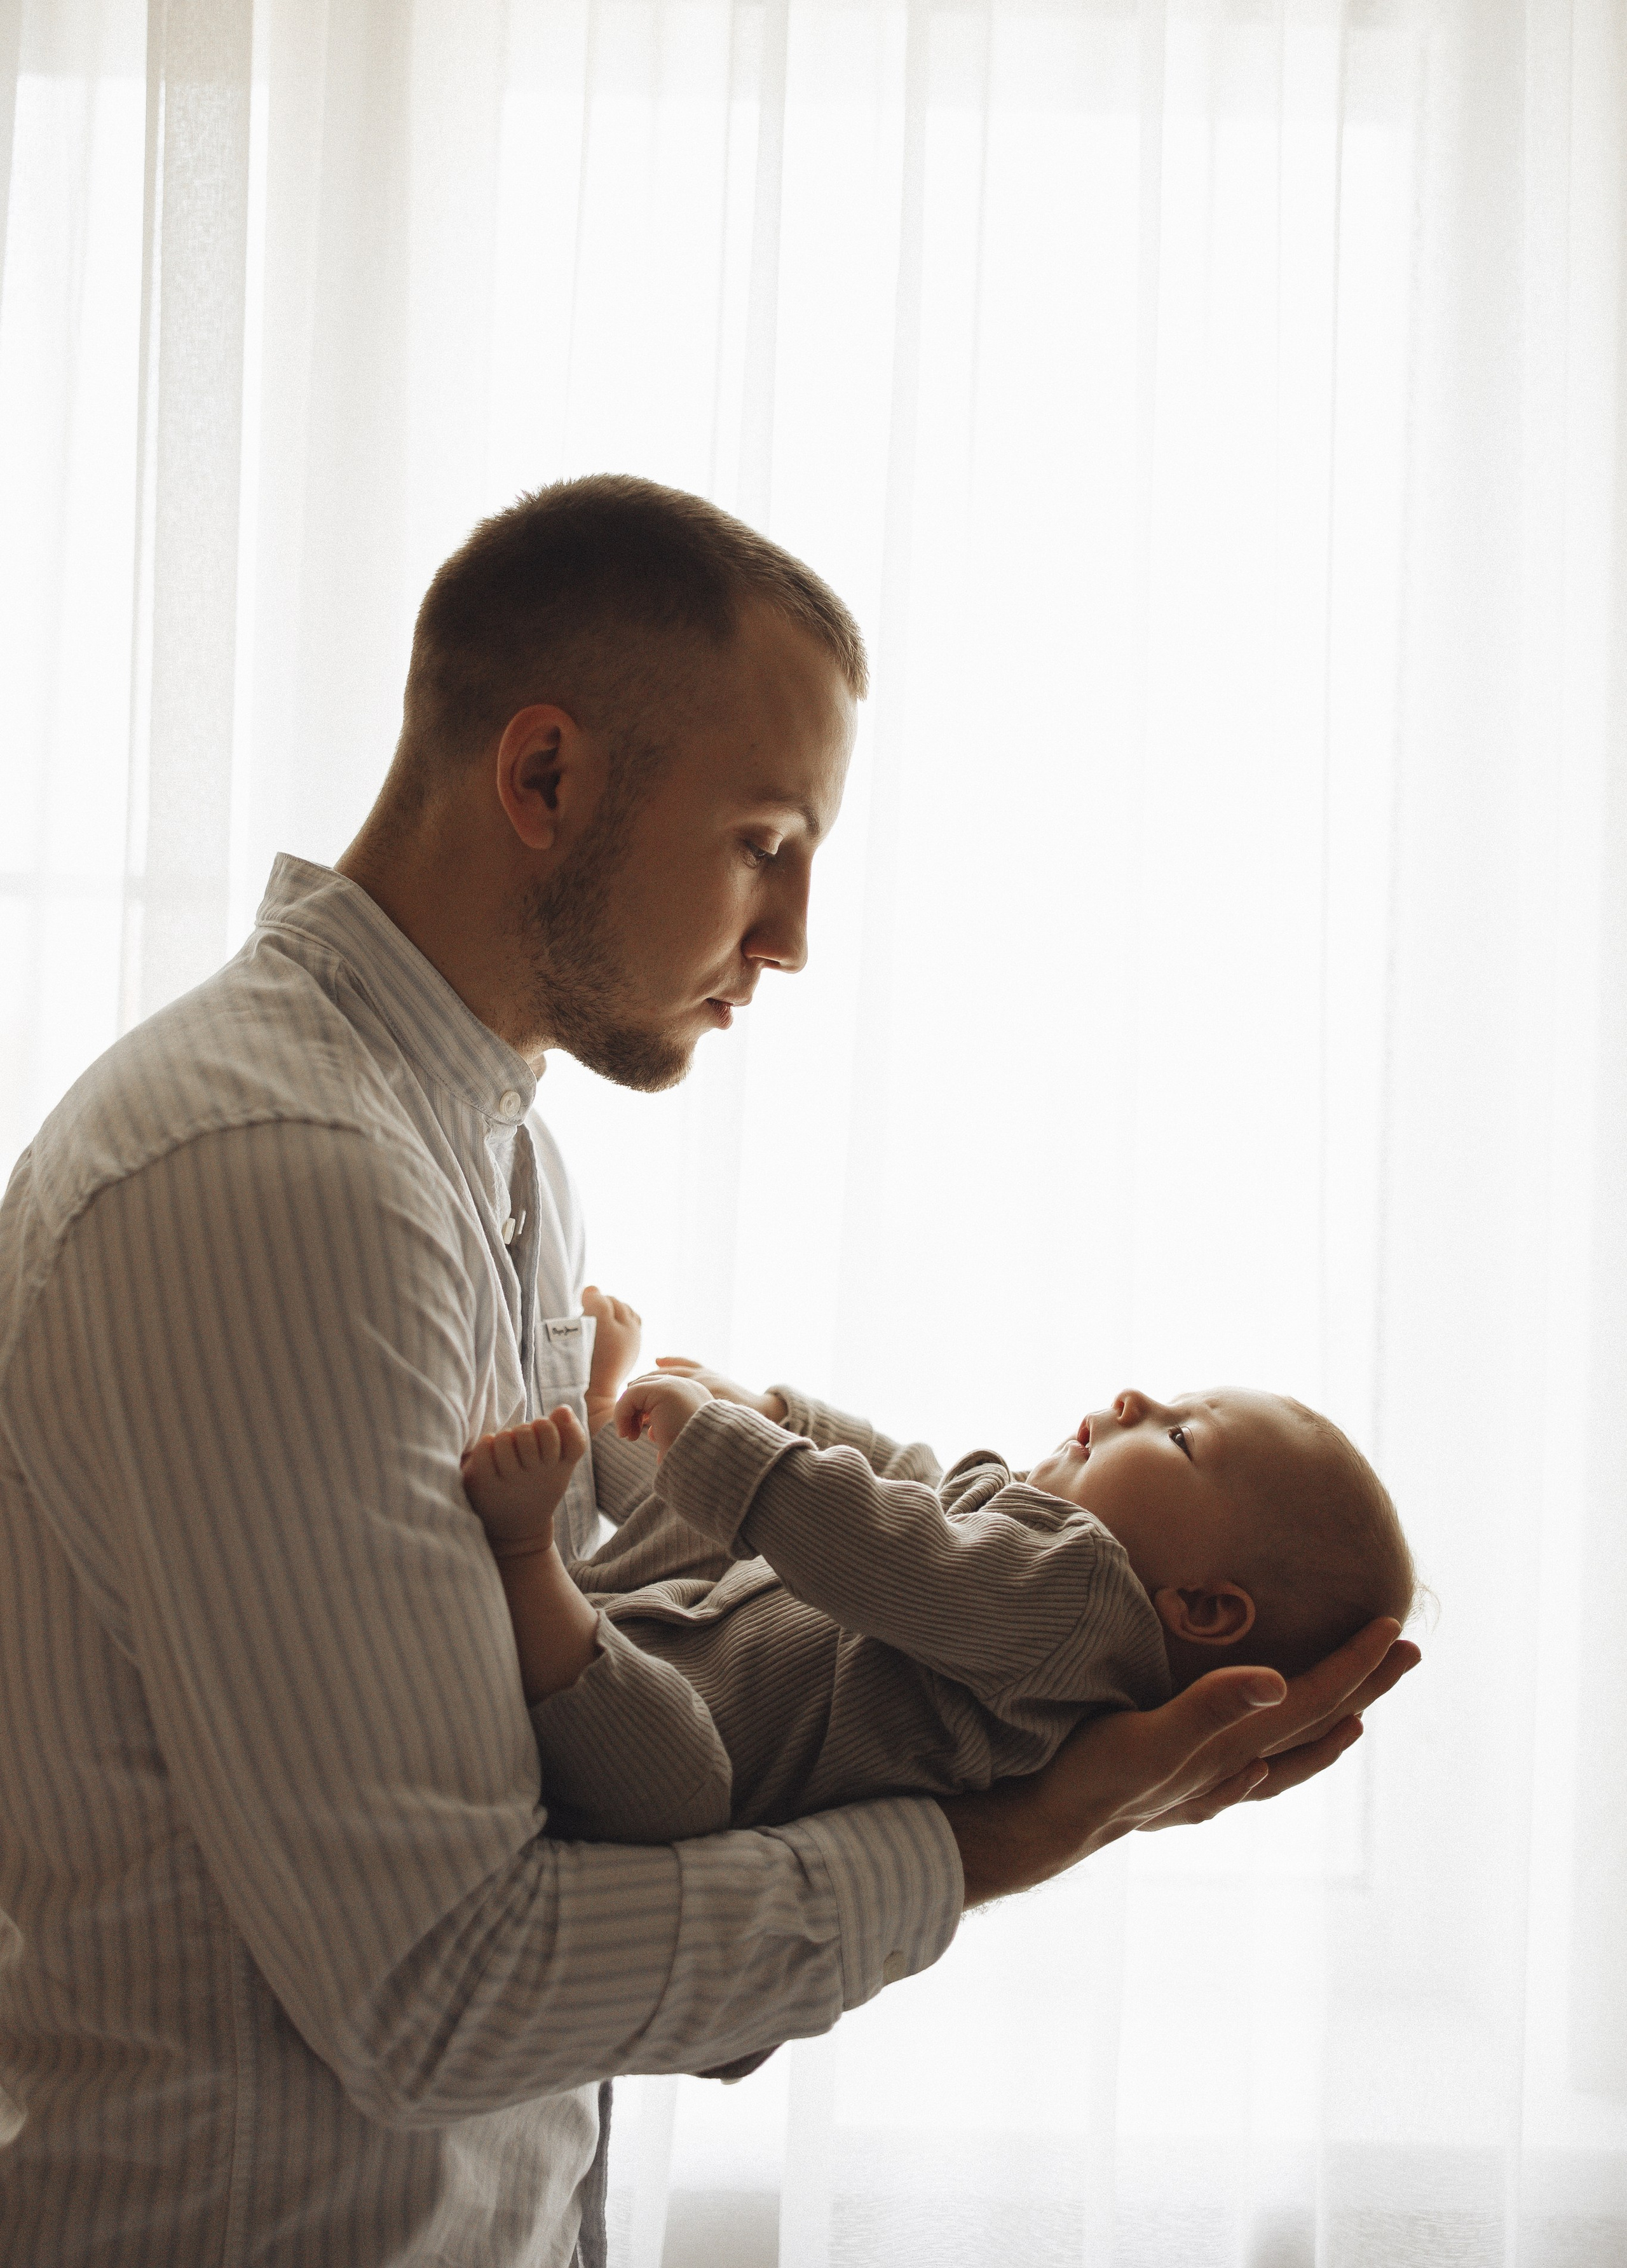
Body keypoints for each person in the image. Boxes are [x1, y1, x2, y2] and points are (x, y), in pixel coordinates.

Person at [0, 476, 1418, 2268]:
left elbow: (557, 1831)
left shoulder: (488, 1158)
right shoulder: (281, 1184)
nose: (795, 935)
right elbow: (438, 1997)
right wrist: (1007, 1836)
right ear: (543, 782)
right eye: (766, 841)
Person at [458, 1296, 1416, 1840]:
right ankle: (595, 1416)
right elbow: (903, 1482)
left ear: (1204, 1607)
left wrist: (735, 1446)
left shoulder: (1080, 1609)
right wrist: (774, 1419)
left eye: (1180, 1436)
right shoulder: (1038, 1550)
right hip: (698, 1627)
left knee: (671, 1759)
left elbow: (886, 1548)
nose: (1135, 1397)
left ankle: (523, 1551)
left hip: (701, 1748)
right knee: (715, 1516)